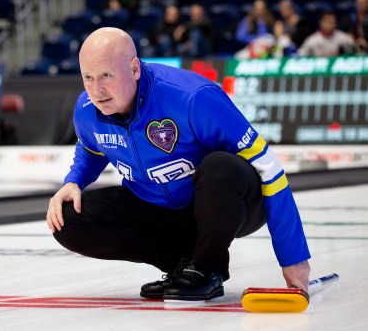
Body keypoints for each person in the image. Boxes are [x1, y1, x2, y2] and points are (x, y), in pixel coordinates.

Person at [46, 27, 311, 302]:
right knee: (66, 218)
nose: (97, 90)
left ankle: (208, 269)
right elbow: (90, 148)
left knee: (221, 166)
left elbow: (269, 168)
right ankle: (183, 267)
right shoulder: (88, 108)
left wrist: (293, 256)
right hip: (160, 209)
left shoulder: (193, 97)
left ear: (134, 69)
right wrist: (74, 181)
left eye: (106, 76)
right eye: (88, 77)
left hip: (229, 205)